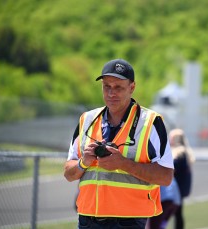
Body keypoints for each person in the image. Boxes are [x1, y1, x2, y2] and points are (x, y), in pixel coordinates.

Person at [64, 58, 174, 229]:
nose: (111, 93)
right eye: (106, 86)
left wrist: (123, 164)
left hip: (128, 222)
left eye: (118, 87)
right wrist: (83, 162)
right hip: (87, 220)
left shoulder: (151, 122)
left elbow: (166, 177)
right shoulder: (86, 120)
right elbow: (68, 174)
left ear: (132, 87)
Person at [169, 129, 195, 229]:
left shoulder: (178, 153)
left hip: (176, 189)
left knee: (170, 214)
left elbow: (171, 169)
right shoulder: (185, 151)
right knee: (177, 213)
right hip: (180, 189)